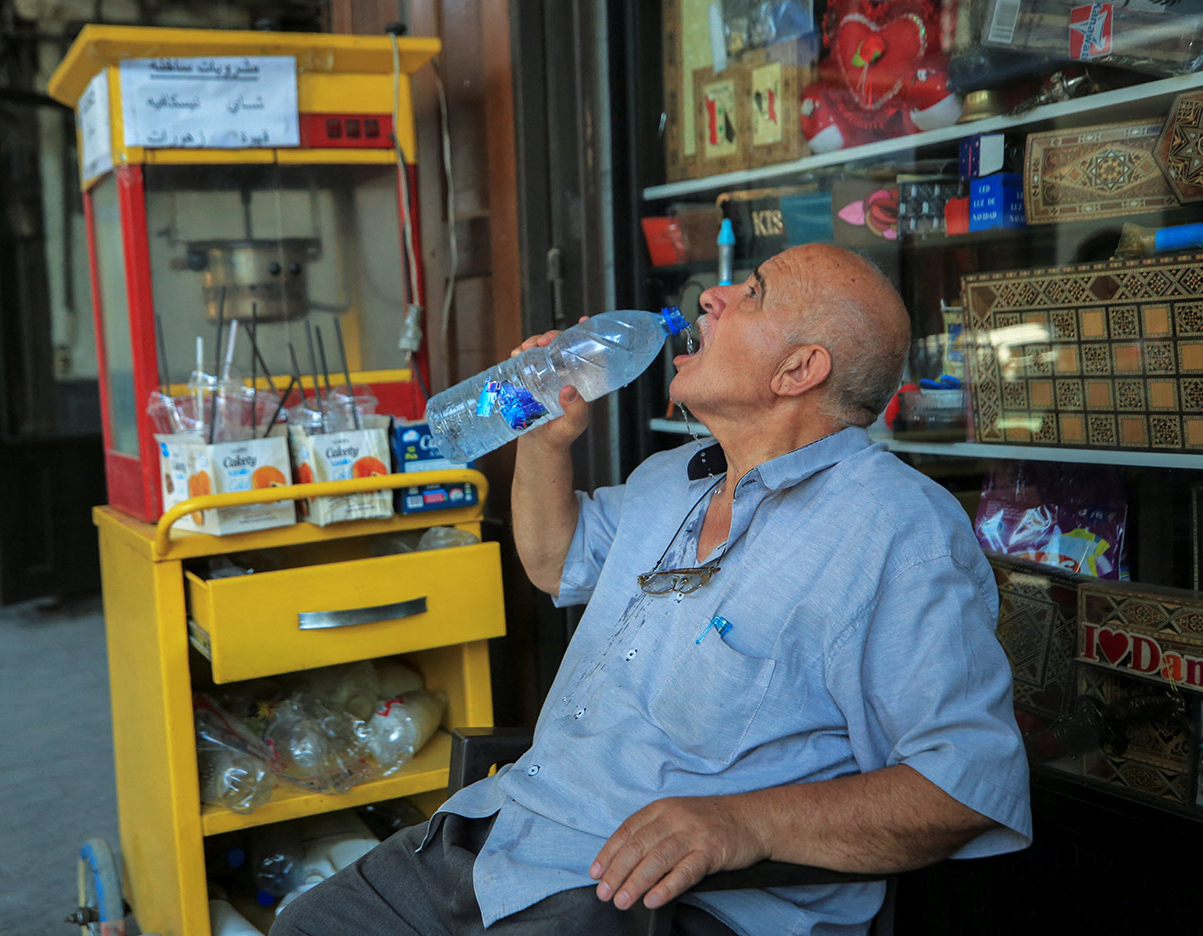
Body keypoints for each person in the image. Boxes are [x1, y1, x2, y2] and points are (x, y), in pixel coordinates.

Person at [272, 243, 1032, 935]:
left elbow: (965, 782)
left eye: (753, 293)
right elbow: (554, 561)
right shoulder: (672, 478)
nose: (713, 297)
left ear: (798, 371)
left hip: (652, 902)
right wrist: (544, 440)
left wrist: (743, 825)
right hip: (503, 834)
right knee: (307, 926)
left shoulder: (895, 529)